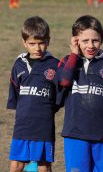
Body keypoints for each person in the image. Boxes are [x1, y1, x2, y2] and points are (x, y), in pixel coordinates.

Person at [57, 15, 103, 172]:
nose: (90, 45)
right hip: (75, 134)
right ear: (75, 41)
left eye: (95, 40)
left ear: (102, 39)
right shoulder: (67, 62)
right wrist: (74, 54)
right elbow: (64, 82)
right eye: (85, 41)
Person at [7, 16, 59, 172]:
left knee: (43, 164)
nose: (37, 48)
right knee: (17, 164)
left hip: (43, 124)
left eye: (41, 43)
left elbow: (59, 96)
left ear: (48, 41)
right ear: (24, 43)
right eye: (32, 44)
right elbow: (15, 93)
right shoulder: (18, 64)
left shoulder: (55, 64)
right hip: (22, 124)